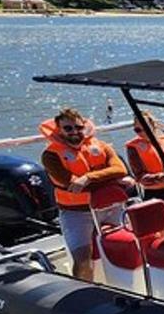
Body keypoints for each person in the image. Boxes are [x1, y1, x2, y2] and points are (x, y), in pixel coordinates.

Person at [40, 107, 128, 281]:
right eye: (68, 128)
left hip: (110, 207)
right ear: (59, 130)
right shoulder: (50, 156)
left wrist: (87, 177)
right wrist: (114, 181)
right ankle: (84, 292)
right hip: (76, 213)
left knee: (122, 246)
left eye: (78, 127)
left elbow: (120, 169)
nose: (74, 132)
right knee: (82, 260)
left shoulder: (101, 146)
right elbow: (73, 185)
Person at [124, 112, 164, 204]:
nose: (143, 132)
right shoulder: (133, 148)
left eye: (146, 128)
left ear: (153, 126)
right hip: (154, 194)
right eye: (138, 130)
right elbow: (140, 177)